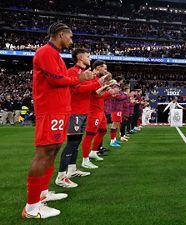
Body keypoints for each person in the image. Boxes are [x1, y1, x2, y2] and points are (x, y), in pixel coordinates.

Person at [22, 22, 94, 219]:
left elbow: (60, 80)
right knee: (44, 152)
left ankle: (42, 194)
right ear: (61, 34)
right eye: (70, 37)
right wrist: (81, 78)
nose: (71, 40)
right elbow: (56, 80)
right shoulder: (45, 52)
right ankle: (31, 207)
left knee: (53, 150)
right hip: (50, 110)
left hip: (59, 110)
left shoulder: (55, 55)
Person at [55, 48, 101, 188]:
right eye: (88, 56)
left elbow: (90, 91)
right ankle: (61, 176)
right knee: (72, 143)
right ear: (80, 57)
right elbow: (77, 90)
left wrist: (101, 84)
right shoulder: (72, 72)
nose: (90, 58)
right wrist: (97, 83)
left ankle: (72, 170)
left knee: (76, 142)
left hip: (83, 111)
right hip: (74, 112)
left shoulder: (84, 73)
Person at [81, 60, 117, 169]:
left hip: (100, 110)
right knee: (90, 135)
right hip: (93, 111)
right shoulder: (92, 78)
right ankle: (85, 160)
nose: (106, 71)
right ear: (98, 68)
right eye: (104, 68)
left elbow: (100, 94)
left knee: (103, 131)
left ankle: (93, 152)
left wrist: (109, 90)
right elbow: (96, 95)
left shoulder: (98, 79)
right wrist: (109, 92)